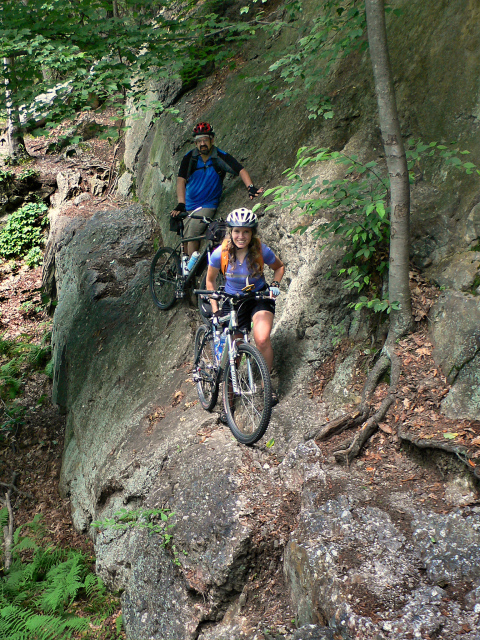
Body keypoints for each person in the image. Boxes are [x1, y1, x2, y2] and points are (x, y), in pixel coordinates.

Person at [206, 208, 285, 406]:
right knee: (234, 351)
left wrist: (275, 285)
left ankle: (267, 388)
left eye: (246, 231)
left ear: (252, 233)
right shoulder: (220, 254)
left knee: (262, 338)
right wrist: (215, 309)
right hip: (233, 302)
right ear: (230, 232)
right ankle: (229, 397)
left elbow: (279, 267)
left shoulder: (260, 250)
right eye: (237, 231)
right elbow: (210, 281)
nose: (241, 236)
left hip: (258, 297)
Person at [171, 122, 263, 257]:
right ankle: (182, 271)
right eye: (199, 141)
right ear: (195, 143)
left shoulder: (219, 157)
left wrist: (250, 187)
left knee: (193, 233)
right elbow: (181, 180)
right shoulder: (190, 158)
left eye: (205, 140)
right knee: (184, 239)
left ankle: (190, 272)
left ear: (212, 140)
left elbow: (240, 169)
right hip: (189, 205)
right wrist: (181, 203)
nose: (202, 143)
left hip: (208, 205)